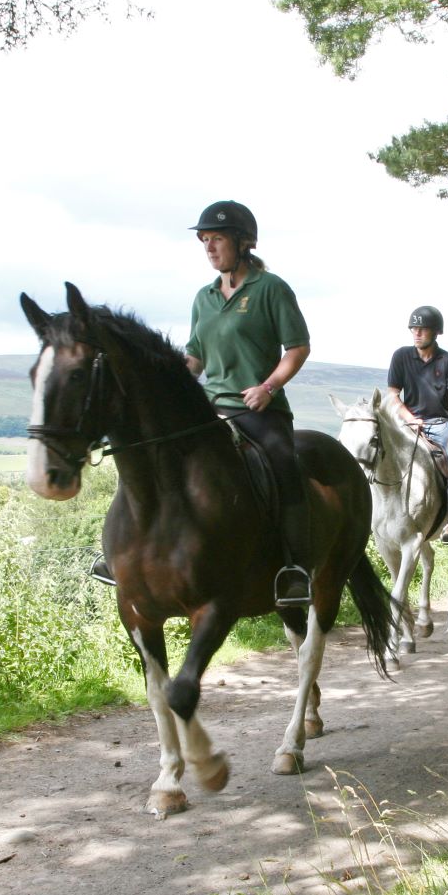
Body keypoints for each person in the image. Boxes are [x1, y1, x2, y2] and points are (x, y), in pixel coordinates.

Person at [183, 199, 315, 607]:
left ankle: (294, 569)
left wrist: (268, 388)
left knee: (283, 465)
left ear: (242, 243)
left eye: (216, 238)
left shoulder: (272, 288)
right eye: (204, 240)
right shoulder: (203, 297)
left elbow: (297, 348)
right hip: (210, 407)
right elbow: (194, 358)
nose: (208, 247)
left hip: (259, 409)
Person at [387, 305, 448, 544]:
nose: (417, 333)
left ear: (436, 332)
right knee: (378, 453)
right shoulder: (401, 356)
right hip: (408, 423)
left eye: (422, 329)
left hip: (440, 423)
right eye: (414, 328)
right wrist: (408, 418)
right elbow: (392, 395)